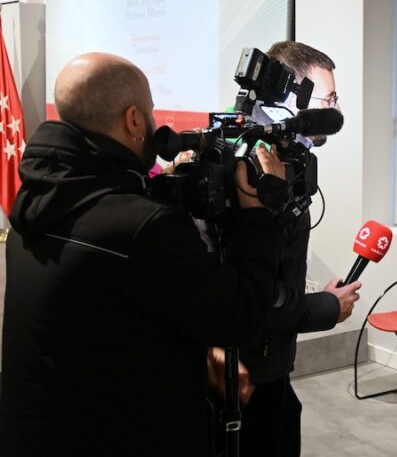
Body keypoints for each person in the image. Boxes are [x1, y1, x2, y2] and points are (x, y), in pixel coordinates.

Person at [0, 52, 288, 457]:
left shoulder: (37, 200)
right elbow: (241, 315)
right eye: (151, 111)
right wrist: (257, 213)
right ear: (134, 119)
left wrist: (197, 351)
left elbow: (110, 314)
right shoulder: (142, 226)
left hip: (43, 430)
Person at [207, 40, 361, 457]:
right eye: (328, 99)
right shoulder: (253, 167)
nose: (335, 110)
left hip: (265, 364)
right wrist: (325, 307)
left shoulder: (276, 155)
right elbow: (252, 294)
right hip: (247, 371)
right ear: (289, 97)